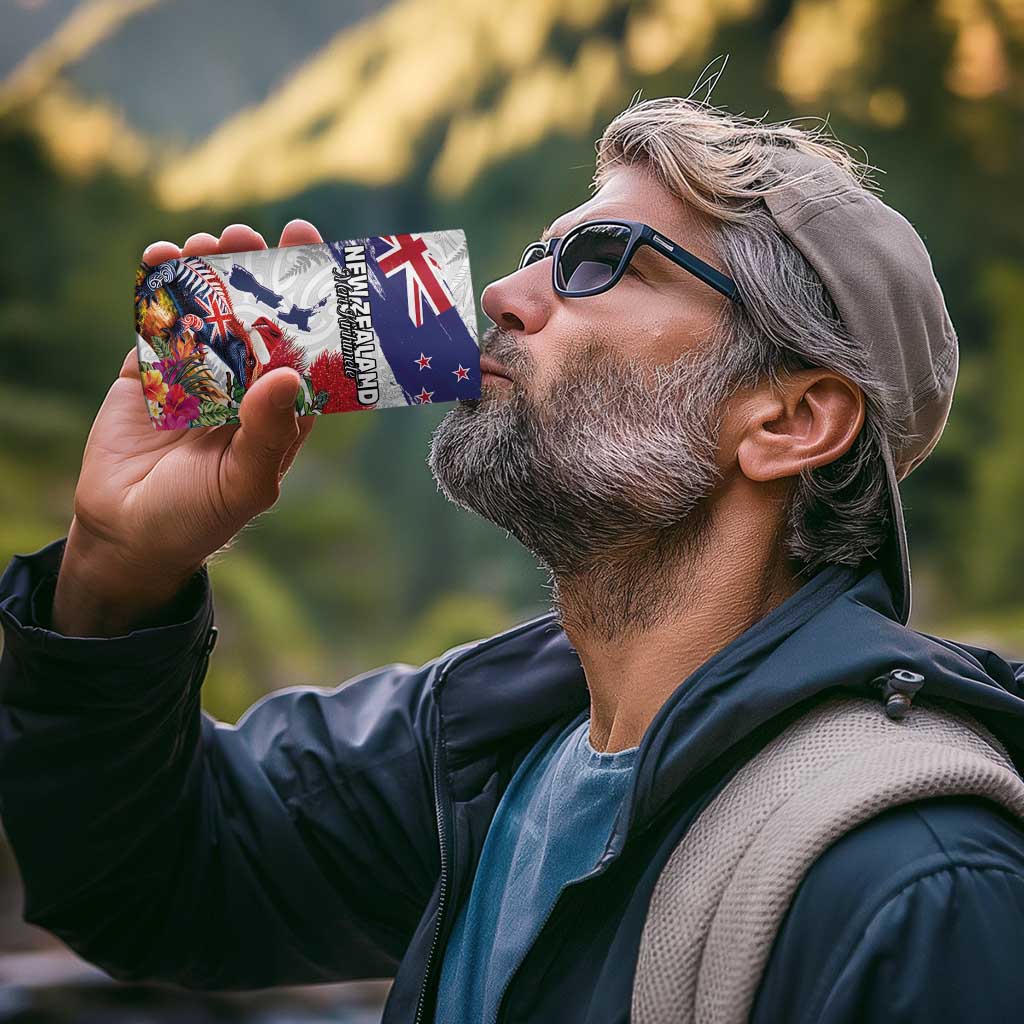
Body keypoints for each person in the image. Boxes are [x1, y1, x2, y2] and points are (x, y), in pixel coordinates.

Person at [2, 94, 1024, 1024]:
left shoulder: (918, 887)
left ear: (790, 421)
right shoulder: (483, 746)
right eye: (541, 251)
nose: (501, 292)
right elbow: (149, 880)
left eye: (601, 261)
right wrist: (115, 573)